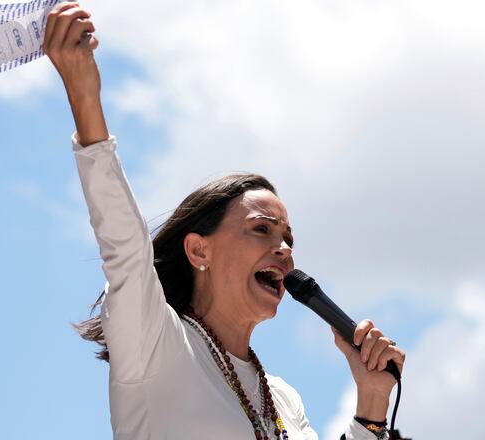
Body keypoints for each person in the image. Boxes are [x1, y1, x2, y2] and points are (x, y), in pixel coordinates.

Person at [42, 3, 406, 440]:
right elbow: (124, 245)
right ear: (199, 250)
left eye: (289, 237)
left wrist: (371, 404)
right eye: (261, 229)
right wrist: (84, 94)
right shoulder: (155, 343)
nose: (285, 249)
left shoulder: (283, 399)